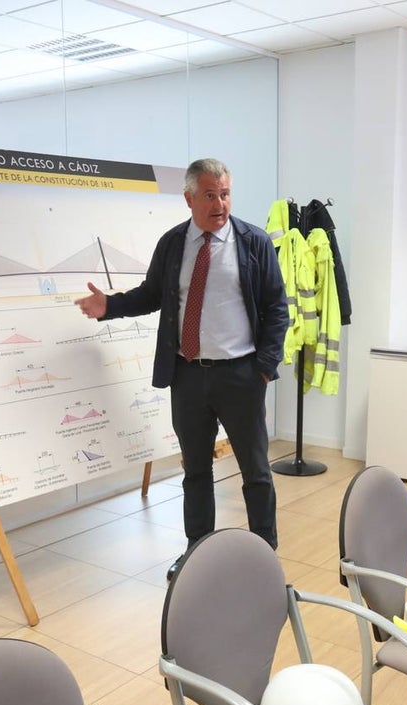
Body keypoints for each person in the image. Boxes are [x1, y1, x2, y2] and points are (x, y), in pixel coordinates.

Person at [75, 159, 289, 578]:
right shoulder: (173, 244)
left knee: (256, 470)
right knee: (196, 468)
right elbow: (152, 294)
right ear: (189, 198)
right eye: (210, 195)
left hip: (241, 375)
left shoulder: (254, 243)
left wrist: (262, 368)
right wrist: (109, 307)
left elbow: (276, 309)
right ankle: (197, 551)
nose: (220, 203)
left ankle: (264, 554)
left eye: (225, 193)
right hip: (188, 375)